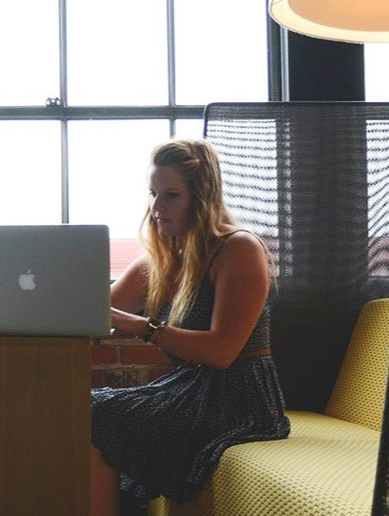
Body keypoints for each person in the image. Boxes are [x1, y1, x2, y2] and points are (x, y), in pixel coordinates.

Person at [90, 139, 290, 514]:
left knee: (95, 415)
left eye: (170, 195)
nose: (156, 207)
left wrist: (143, 327)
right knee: (83, 409)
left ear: (202, 199)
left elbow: (221, 352)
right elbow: (96, 311)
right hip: (189, 389)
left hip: (240, 399)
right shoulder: (165, 257)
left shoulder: (238, 249)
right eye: (152, 193)